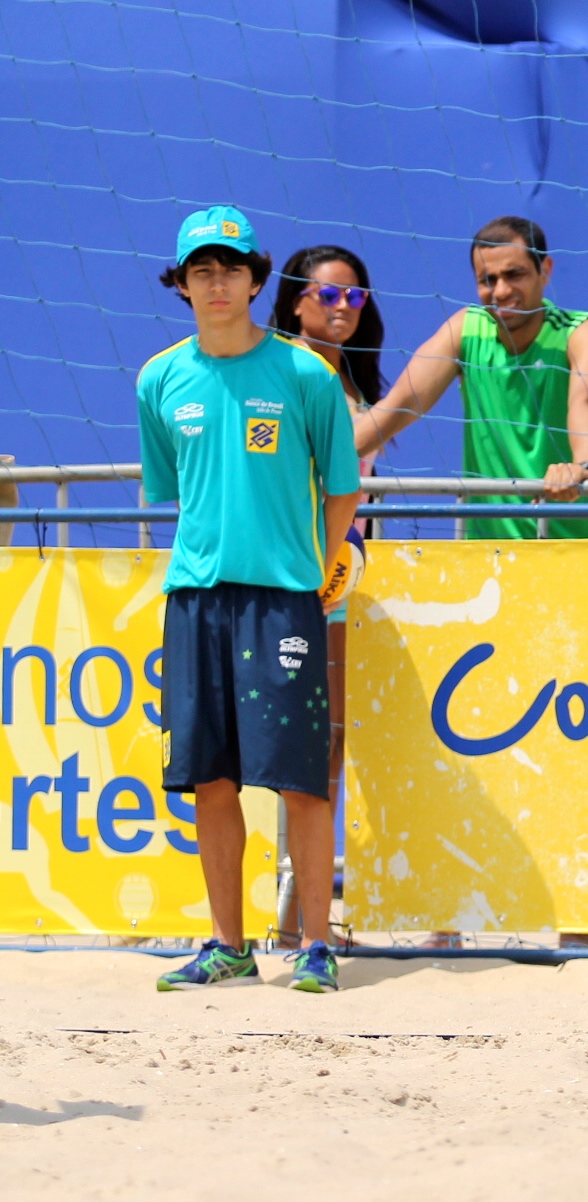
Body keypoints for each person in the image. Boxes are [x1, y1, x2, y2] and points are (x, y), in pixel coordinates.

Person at [137, 205, 362, 994]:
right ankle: (229, 946)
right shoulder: (159, 380)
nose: (217, 281)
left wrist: (320, 571)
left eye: (231, 267)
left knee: (301, 778)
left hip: (283, 599)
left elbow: (342, 490)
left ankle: (315, 947)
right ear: (182, 285)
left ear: (258, 279)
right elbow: (176, 492)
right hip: (197, 598)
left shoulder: (304, 373)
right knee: (211, 780)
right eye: (201, 269)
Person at [354, 215, 588, 540]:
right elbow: (398, 406)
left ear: (545, 270)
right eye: (487, 280)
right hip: (487, 561)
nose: (501, 291)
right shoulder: (467, 328)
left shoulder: (583, 330)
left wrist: (584, 467)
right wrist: (304, 461)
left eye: (514, 274)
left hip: (577, 553)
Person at [269, 246, 384, 821]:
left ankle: (298, 891)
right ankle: (282, 897)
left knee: (331, 739)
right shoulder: (279, 376)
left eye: (356, 294)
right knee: (281, 742)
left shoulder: (356, 387)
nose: (345, 305)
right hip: (288, 578)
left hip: (339, 582)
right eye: (330, 294)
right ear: (295, 304)